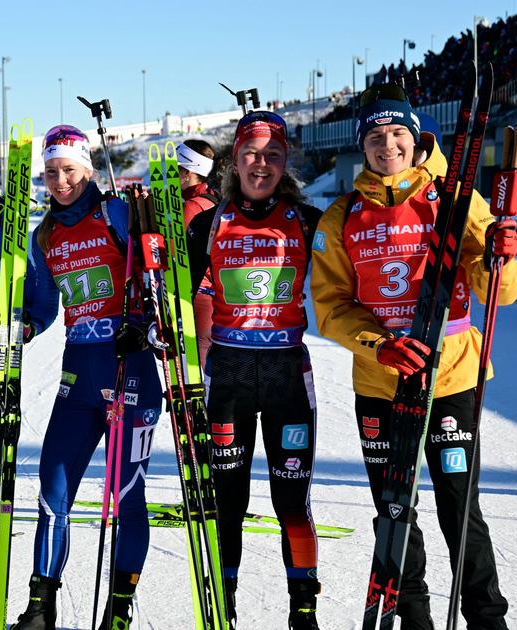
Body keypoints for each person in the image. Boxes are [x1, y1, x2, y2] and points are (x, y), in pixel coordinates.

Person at [310, 84, 517, 630]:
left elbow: (499, 289)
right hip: (382, 380)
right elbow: (331, 306)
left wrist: (501, 259)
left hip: (451, 374)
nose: (388, 146)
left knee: (459, 507)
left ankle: (487, 618)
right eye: (376, 137)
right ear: (364, 146)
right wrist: (379, 345)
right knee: (395, 509)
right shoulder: (341, 215)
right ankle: (415, 619)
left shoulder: (454, 199)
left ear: (417, 138)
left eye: (398, 133)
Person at [11, 125, 163, 629]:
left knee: (125, 494)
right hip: (78, 378)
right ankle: (40, 607)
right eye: (52, 172)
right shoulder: (44, 235)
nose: (61, 181)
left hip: (130, 373)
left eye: (69, 170)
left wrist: (142, 326)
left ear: (88, 170)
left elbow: (157, 281)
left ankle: (118, 612)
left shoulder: (116, 213)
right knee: (52, 489)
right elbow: (42, 305)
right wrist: (23, 325)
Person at [185, 111, 322, 630]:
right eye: (251, 153)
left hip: (288, 375)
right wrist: (167, 333)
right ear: (234, 160)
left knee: (293, 501)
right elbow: (180, 294)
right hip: (230, 378)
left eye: (272, 154)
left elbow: (348, 281)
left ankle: (303, 611)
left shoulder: (308, 221)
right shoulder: (208, 222)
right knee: (228, 505)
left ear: (285, 161)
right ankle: (225, 607)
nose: (260, 164)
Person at [175, 139, 221, 365]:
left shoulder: (191, 207)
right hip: (215, 295)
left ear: (187, 172)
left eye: (177, 169)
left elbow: (175, 252)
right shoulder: (214, 198)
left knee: (197, 373)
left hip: (198, 295)